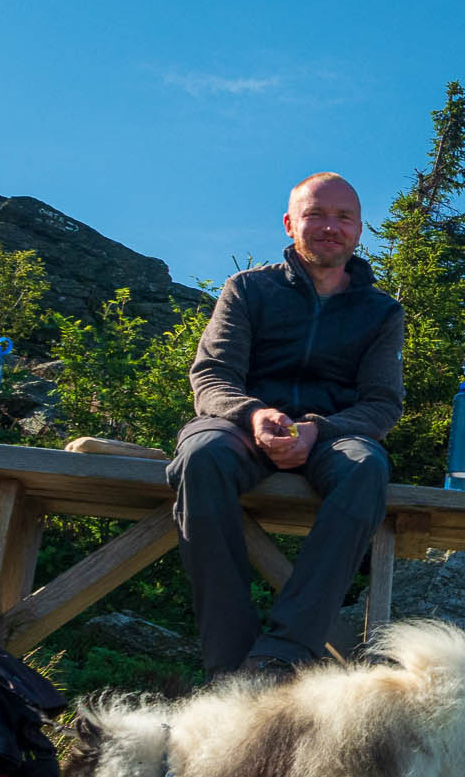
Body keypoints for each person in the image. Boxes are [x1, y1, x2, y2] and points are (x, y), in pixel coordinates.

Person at [166, 173, 406, 678]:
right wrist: (254, 413)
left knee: (367, 467)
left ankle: (281, 653)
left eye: (343, 217)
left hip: (332, 439)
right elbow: (211, 377)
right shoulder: (249, 289)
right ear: (290, 223)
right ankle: (230, 666)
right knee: (201, 455)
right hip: (239, 429)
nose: (329, 227)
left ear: (359, 229)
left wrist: (318, 428)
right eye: (316, 214)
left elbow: (382, 404)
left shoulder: (382, 312)